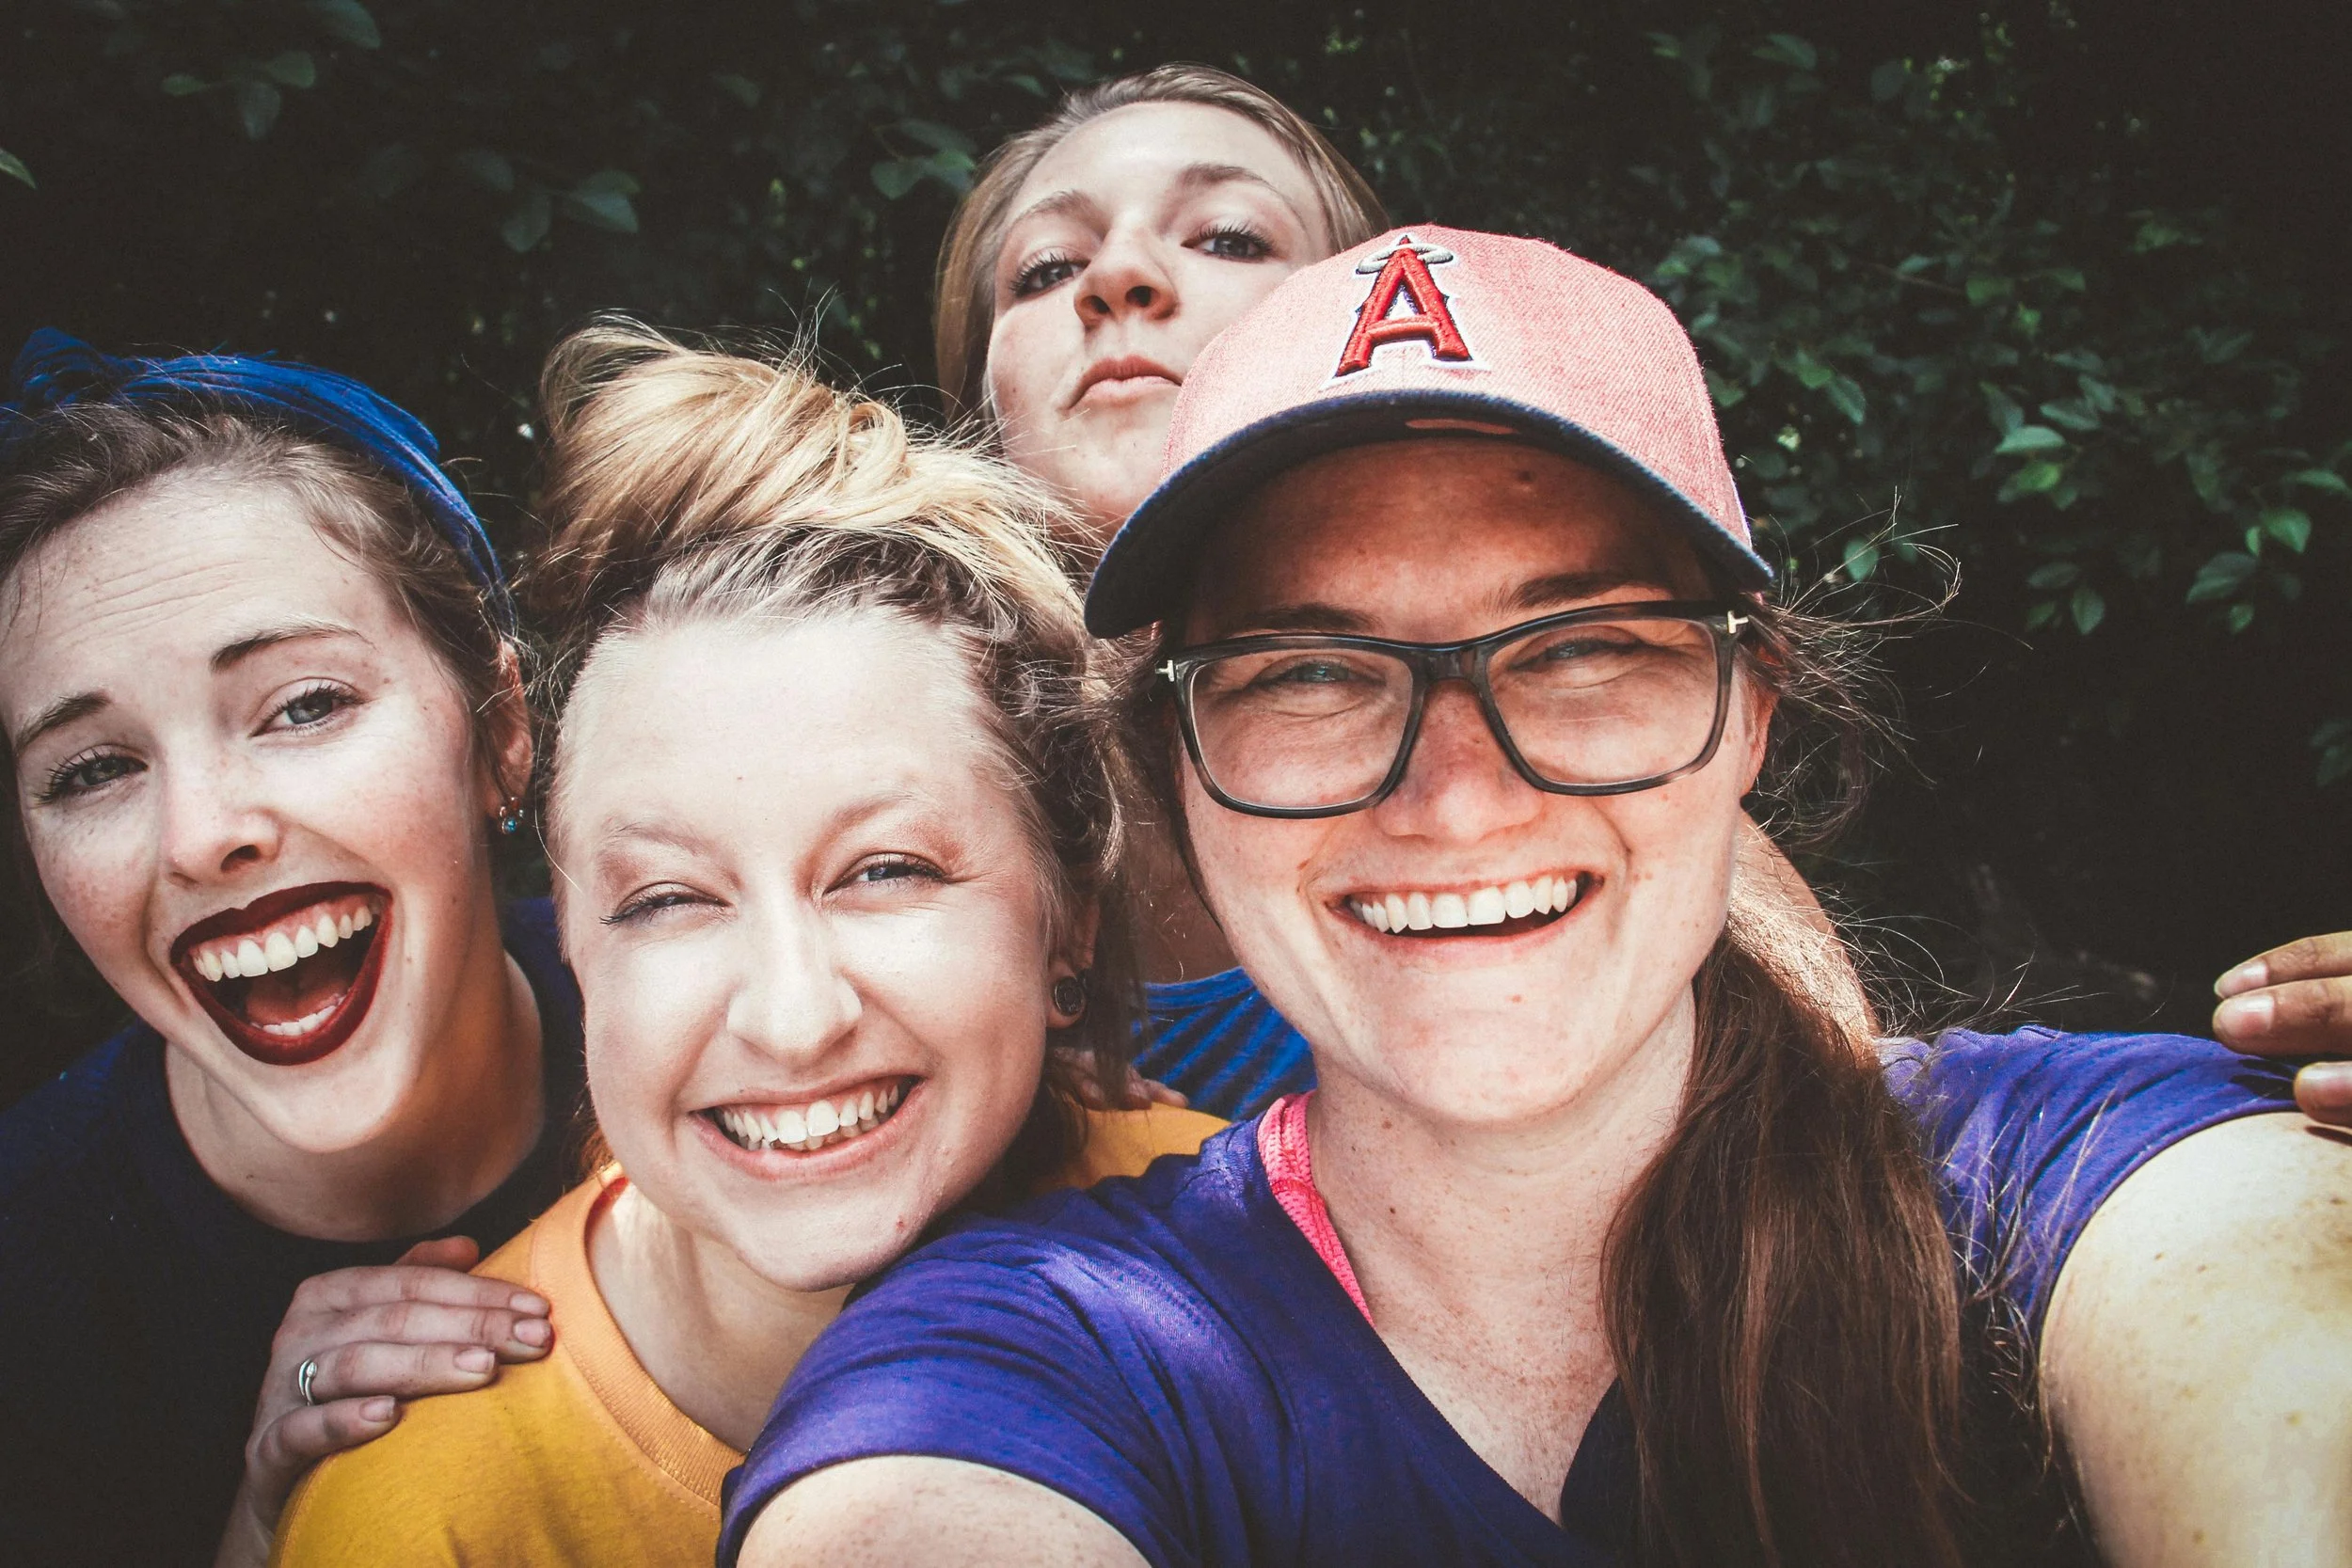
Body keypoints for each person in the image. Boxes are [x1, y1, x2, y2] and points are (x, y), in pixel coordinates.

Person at [719, 229, 2350, 1566]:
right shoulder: (1047, 1349)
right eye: (1310, 669)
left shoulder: (2060, 1180)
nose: (1458, 790)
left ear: (1754, 705)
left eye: (1581, 648)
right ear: (1180, 760)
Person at [266, 325, 1220, 1565]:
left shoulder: (1259, 1252)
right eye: (668, 898)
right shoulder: (422, 1510)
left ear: (1068, 920)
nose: (792, 1014)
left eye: (885, 870)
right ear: (574, 948)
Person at [935, 66, 1875, 1115]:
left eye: (1228, 237)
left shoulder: (1641, 822)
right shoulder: (892, 806)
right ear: (977, 406)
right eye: (1047, 267)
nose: (1118, 276)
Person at [0, 334, 577, 1565]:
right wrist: (267, 1533)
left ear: (503, 731)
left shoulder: (721, 1026)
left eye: (303, 702)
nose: (203, 836)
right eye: (94, 768)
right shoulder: (25, 1281)